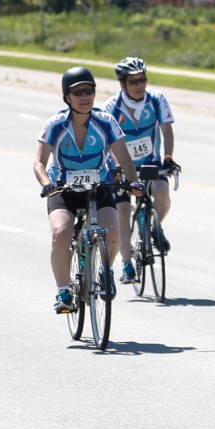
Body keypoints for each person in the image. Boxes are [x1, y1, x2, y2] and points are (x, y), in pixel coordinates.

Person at [33, 66, 144, 314]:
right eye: (78, 92)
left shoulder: (106, 122)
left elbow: (125, 160)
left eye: (89, 91)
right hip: (63, 189)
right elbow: (38, 162)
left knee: (113, 233)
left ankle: (106, 269)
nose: (85, 97)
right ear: (67, 98)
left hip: (99, 186)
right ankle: (63, 290)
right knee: (61, 233)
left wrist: (134, 181)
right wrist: (46, 184)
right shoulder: (56, 124)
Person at [102, 57, 179, 284]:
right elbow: (107, 141)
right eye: (133, 81)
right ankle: (127, 265)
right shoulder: (111, 107)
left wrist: (168, 158)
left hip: (149, 162)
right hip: (122, 166)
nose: (139, 85)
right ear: (123, 84)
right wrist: (117, 167)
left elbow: (167, 131)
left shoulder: (156, 100)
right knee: (123, 212)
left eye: (142, 79)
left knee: (162, 192)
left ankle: (154, 225)